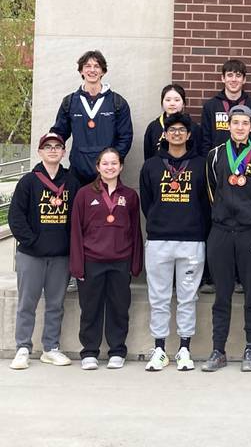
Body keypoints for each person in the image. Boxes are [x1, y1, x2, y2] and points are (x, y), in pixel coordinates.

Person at [139, 112, 209, 372]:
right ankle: (159, 349)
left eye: (182, 130)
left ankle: (184, 349)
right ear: (165, 135)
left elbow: (206, 203)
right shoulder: (151, 166)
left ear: (189, 135)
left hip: (191, 241)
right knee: (158, 297)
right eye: (172, 130)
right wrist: (160, 221)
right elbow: (147, 202)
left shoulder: (201, 164)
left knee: (187, 297)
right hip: (159, 240)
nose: (177, 133)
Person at [201, 104, 251, 372]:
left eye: (245, 123)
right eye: (235, 123)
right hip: (220, 232)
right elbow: (210, 192)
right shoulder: (215, 155)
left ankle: (250, 347)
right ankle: (218, 350)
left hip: (249, 232)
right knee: (223, 294)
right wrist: (222, 214)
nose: (239, 127)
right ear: (228, 126)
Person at [8, 133, 80, 370]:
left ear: (64, 152)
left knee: (56, 304)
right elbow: (16, 217)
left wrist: (69, 245)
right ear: (39, 152)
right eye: (47, 147)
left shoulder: (71, 182)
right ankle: (22, 348)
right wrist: (33, 241)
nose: (52, 150)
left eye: (57, 146)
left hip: (60, 256)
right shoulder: (28, 181)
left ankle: (50, 348)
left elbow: (77, 218)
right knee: (27, 303)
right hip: (31, 255)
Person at [70, 148, 143, 371]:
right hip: (92, 260)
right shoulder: (84, 194)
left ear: (121, 167)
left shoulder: (130, 196)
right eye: (105, 163)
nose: (110, 167)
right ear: (98, 167)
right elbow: (76, 232)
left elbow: (136, 232)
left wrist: (135, 262)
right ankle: (89, 351)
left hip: (120, 260)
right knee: (90, 307)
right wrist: (77, 265)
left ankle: (117, 350)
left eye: (114, 163)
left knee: (119, 307)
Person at [51, 50, 133, 186]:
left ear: (103, 71)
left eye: (97, 66)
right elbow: (59, 134)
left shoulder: (117, 102)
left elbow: (126, 137)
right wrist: (52, 154)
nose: (92, 70)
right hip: (77, 173)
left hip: (107, 173)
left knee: (106, 207)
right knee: (76, 207)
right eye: (88, 66)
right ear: (81, 71)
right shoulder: (70, 102)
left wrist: (111, 163)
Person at [199, 59, 251, 157]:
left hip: (247, 161)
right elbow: (205, 140)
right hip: (218, 162)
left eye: (238, 75)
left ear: (244, 79)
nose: (234, 79)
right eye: (229, 75)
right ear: (223, 78)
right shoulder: (210, 106)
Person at [142, 84, 201, 160]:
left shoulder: (193, 127)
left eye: (177, 100)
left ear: (183, 104)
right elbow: (148, 156)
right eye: (168, 100)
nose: (172, 103)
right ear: (162, 103)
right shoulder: (153, 127)